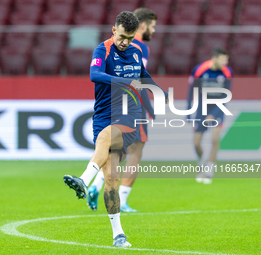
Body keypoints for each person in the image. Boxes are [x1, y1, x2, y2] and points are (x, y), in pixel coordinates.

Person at [63, 11, 168, 247]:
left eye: (129, 38)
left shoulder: (136, 51)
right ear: (114, 30)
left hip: (128, 114)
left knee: (108, 136)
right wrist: (123, 81)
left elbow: (143, 75)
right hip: (103, 114)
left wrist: (158, 90)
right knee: (111, 178)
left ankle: (83, 179)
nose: (125, 42)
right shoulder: (103, 50)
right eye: (122, 36)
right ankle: (118, 234)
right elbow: (94, 74)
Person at [87, 8, 157, 213]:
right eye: (152, 25)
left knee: (120, 152)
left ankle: (96, 184)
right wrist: (149, 108)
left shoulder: (125, 46)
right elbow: (137, 82)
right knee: (136, 150)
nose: (154, 30)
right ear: (143, 26)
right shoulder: (139, 48)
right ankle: (122, 198)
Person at [186, 48, 232, 184]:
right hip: (202, 108)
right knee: (196, 143)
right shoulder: (200, 70)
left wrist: (214, 114)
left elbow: (226, 96)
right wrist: (188, 112)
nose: (226, 62)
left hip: (218, 108)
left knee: (215, 140)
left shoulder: (227, 72)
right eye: (223, 59)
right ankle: (201, 162)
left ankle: (209, 171)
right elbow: (190, 91)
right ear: (215, 58)